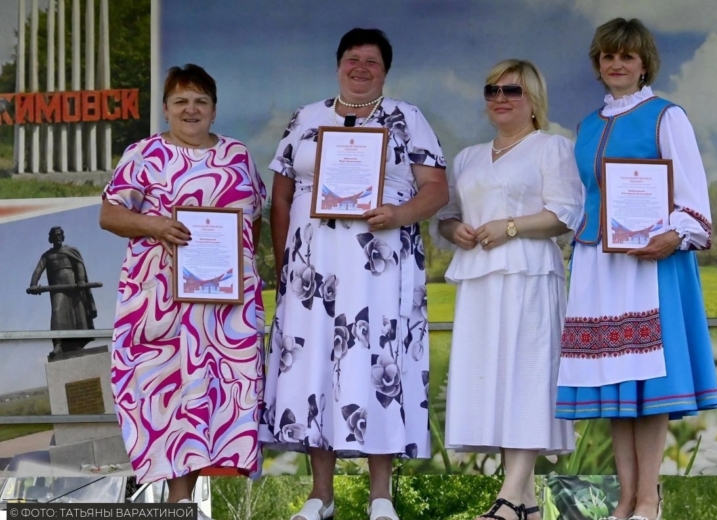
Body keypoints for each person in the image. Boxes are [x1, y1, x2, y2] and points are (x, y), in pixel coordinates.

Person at [260, 28, 448, 520]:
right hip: (311, 269)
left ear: (386, 71)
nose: (361, 67)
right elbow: (280, 198)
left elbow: (436, 189)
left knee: (376, 360)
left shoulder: (407, 118)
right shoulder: (305, 117)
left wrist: (400, 214)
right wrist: (286, 265)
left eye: (372, 61)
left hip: (378, 264)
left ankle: (380, 495)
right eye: (352, 58)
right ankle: (320, 495)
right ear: (338, 64)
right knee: (313, 365)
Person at [554, 18, 717, 520]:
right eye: (608, 56)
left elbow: (692, 197)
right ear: (598, 64)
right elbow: (581, 199)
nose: (616, 64)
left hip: (650, 264)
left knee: (648, 384)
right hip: (598, 264)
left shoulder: (666, 116)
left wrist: (675, 234)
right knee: (616, 383)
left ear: (644, 63)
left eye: (626, 56)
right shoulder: (587, 125)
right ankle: (626, 498)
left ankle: (650, 497)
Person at [99, 64, 267, 510]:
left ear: (214, 109)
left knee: (223, 393)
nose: (191, 109)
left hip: (225, 307)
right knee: (167, 392)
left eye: (200, 101)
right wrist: (155, 225)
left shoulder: (237, 154)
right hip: (160, 300)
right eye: (181, 101)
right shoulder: (144, 154)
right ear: (166, 108)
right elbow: (110, 215)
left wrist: (237, 265)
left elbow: (254, 218)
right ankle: (178, 501)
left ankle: (187, 502)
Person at [435, 60, 582, 520]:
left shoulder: (552, 148)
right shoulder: (468, 157)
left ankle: (509, 495)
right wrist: (455, 229)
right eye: (492, 90)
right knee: (495, 381)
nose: (500, 98)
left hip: (529, 276)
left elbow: (566, 213)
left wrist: (511, 226)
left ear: (533, 99)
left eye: (512, 90)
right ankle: (526, 505)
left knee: (527, 378)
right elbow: (448, 215)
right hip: (480, 278)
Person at [28, 226, 98, 357]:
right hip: (58, 289)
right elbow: (38, 269)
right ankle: (58, 344)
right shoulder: (47, 256)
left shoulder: (71, 251)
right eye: (55, 235)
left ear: (63, 236)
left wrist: (81, 280)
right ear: (51, 239)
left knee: (79, 314)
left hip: (74, 287)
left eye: (59, 234)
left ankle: (79, 343)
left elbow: (79, 264)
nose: (58, 237)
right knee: (57, 313)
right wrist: (33, 284)